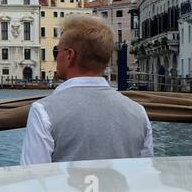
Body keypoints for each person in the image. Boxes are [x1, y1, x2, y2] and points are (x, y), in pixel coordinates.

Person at [20, 14, 153, 165]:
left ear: (69, 55)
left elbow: (34, 179)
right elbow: (144, 173)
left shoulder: (43, 111)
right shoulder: (139, 113)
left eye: (57, 52)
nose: (56, 58)